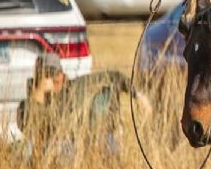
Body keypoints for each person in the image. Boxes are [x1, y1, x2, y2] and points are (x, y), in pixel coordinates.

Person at [17, 53, 150, 161]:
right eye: (46, 75)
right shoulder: (29, 103)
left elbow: (115, 77)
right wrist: (38, 94)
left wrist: (139, 96)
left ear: (62, 75)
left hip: (82, 142)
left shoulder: (77, 86)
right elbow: (28, 128)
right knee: (27, 151)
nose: (53, 79)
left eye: (55, 74)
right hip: (54, 148)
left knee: (108, 146)